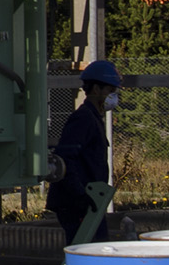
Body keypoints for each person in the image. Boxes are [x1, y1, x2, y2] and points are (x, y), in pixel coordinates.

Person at [48, 58, 121, 242]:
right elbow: (65, 159)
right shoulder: (84, 119)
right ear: (96, 89)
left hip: (87, 201)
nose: (114, 97)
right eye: (110, 91)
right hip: (77, 204)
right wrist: (80, 195)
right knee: (89, 250)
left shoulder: (92, 118)